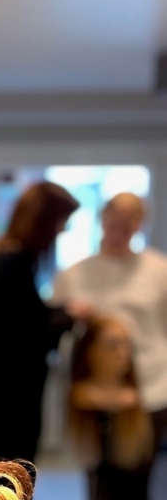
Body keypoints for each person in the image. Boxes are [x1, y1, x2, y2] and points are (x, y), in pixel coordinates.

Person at [0, 180, 88, 462]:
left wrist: (60, 310)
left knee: (7, 465)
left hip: (0, 387)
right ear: (43, 222)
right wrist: (68, 316)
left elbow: (21, 316)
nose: (62, 230)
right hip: (12, 392)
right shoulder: (14, 263)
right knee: (15, 469)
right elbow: (25, 333)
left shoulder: (3, 258)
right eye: (60, 222)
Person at [53, 192, 167, 451]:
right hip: (94, 386)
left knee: (139, 469)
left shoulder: (160, 271)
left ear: (140, 224)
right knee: (97, 468)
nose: (117, 233)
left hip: (151, 384)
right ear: (102, 220)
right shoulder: (74, 274)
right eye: (112, 224)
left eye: (127, 226)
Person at [68, 315, 155, 500]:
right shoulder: (82, 397)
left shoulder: (136, 402)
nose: (123, 353)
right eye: (113, 345)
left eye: (127, 345)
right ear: (90, 351)